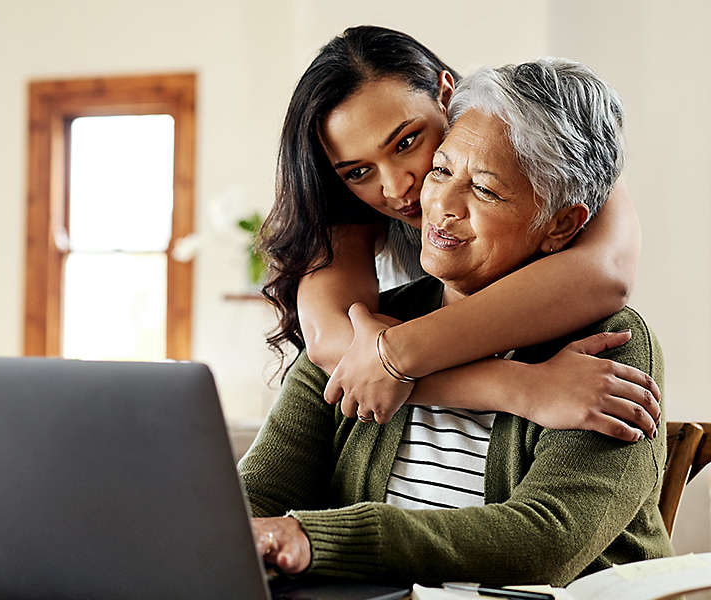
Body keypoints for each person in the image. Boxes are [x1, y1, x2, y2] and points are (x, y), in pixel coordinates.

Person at [241, 58, 673, 587]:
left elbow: (543, 543)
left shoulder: (612, 344)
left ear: (561, 224)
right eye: (441, 171)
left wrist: (315, 538)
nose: (435, 204)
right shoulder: (367, 331)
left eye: (486, 190)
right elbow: (251, 497)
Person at [260, 26, 657, 442]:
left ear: (445, 95)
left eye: (406, 142)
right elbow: (334, 343)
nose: (396, 188)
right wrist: (518, 387)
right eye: (359, 172)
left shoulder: (544, 140)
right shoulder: (346, 210)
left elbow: (604, 274)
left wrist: (397, 354)